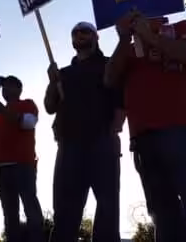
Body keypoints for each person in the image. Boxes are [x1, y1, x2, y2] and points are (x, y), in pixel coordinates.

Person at [104, 10, 186, 242]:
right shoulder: (128, 47)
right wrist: (122, 40)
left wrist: (151, 37)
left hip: (181, 131)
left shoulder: (183, 28)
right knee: (164, 215)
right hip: (143, 138)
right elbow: (109, 78)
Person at [44, 22, 124, 242]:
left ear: (96, 37)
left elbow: (120, 97)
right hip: (69, 146)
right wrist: (53, 82)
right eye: (75, 32)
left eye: (85, 31)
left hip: (102, 142)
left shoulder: (109, 64)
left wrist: (117, 123)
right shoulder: (63, 74)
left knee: (107, 210)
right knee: (64, 214)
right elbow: (50, 106)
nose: (79, 35)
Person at [0, 75, 43, 242]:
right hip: (2, 170)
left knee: (31, 209)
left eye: (9, 85)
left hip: (23, 166)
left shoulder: (27, 104)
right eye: (3, 86)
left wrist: (4, 112)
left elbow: (28, 123)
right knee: (9, 215)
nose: (5, 89)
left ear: (19, 89)